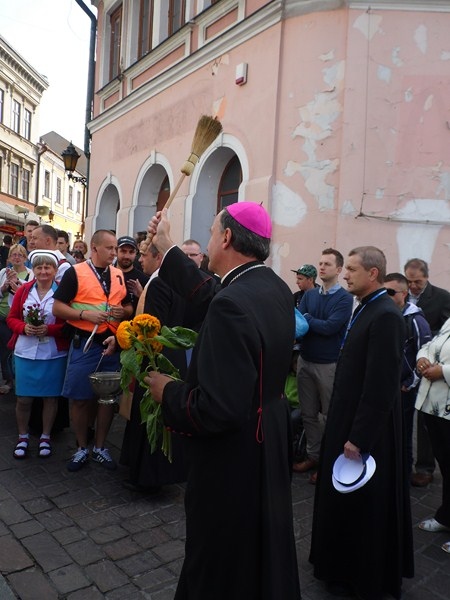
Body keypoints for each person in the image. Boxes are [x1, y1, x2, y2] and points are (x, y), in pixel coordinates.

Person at [145, 202, 301, 600]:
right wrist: (167, 246)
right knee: (258, 543)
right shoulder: (271, 286)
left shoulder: (232, 304)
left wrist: (168, 391)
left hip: (235, 455)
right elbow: (211, 293)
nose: (210, 239)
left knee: (221, 552)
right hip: (268, 437)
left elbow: (217, 409)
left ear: (227, 237)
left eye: (213, 232)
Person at [310, 246, 414, 600]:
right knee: (344, 502)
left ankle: (359, 574)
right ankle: (339, 566)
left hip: (367, 431)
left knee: (363, 504)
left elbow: (381, 385)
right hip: (347, 417)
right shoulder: (366, 307)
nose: (345, 275)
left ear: (373, 273)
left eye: (352, 269)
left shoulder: (386, 315)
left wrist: (359, 438)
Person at [52, 230, 133, 472]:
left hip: (111, 345)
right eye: (110, 248)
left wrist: (124, 312)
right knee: (79, 398)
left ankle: (100, 447)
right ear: (94, 248)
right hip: (84, 344)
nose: (114, 253)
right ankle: (81, 448)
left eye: (115, 248)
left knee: (107, 398)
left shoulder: (118, 274)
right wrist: (84, 314)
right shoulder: (75, 272)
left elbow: (128, 306)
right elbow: (57, 308)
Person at [120, 242, 188, 492]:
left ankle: (149, 476)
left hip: (156, 357)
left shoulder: (159, 283)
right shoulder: (178, 283)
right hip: (175, 354)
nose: (140, 260)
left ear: (159, 257)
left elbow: (152, 328)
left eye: (144, 255)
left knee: (150, 415)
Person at [293, 249, 353, 483]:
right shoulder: (309, 295)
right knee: (308, 414)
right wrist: (309, 322)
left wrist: (309, 320)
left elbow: (330, 328)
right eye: (320, 263)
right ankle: (313, 456)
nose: (322, 267)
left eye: (327, 264)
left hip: (328, 364)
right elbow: (298, 324)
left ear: (338, 269)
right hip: (305, 360)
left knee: (328, 416)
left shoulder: (345, 299)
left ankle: (328, 463)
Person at [6, 251, 69, 459]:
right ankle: (23, 436)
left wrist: (49, 330)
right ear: (33, 270)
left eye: (47, 267)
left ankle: (45, 436)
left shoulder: (62, 292)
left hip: (53, 355)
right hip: (25, 352)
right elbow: (12, 318)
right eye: (39, 267)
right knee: (24, 399)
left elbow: (68, 324)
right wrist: (23, 327)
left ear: (54, 270)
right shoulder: (24, 290)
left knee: (50, 398)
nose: (43, 271)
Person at [404, 258, 450, 488]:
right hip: (407, 364)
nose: (413, 286)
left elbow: (444, 333)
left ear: (427, 278)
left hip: (430, 368)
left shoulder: (442, 297)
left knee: (425, 420)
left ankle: (425, 468)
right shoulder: (401, 294)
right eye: (409, 281)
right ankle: (403, 459)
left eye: (418, 282)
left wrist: (423, 339)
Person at [384, 273, 431, 473]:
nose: (386, 296)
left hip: (404, 389)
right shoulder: (385, 315)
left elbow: (426, 354)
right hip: (386, 385)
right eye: (383, 292)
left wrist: (409, 383)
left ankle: (403, 473)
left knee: (403, 433)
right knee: (386, 432)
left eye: (390, 292)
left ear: (403, 294)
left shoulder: (416, 320)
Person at [416, 320, 450, 554]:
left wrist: (444, 372)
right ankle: (446, 517)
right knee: (447, 466)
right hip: (437, 408)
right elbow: (431, 344)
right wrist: (422, 359)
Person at [0, 244, 33, 392]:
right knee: (5, 350)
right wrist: (3, 288)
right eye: (14, 254)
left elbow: (32, 295)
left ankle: (20, 378)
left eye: (20, 255)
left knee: (19, 349)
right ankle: (8, 380)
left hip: (20, 318)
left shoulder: (31, 274)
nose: (17, 257)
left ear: (25, 258)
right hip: (3, 315)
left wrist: (19, 288)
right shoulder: (3, 272)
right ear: (9, 258)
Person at [115, 235, 149, 316]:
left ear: (136, 253)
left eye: (131, 252)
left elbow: (151, 308)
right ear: (116, 251)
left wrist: (141, 295)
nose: (127, 256)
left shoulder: (144, 280)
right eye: (123, 251)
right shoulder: (106, 275)